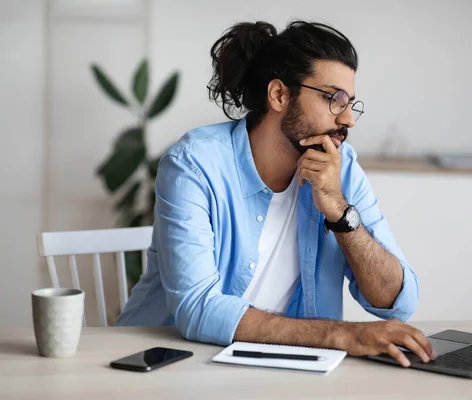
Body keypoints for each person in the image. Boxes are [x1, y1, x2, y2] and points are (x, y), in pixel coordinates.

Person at [116, 20, 436, 367]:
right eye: (334, 99)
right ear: (280, 95)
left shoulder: (342, 169)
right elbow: (198, 308)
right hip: (166, 366)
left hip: (280, 371)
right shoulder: (194, 164)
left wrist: (341, 214)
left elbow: (398, 302)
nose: (349, 119)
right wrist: (343, 335)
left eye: (350, 103)